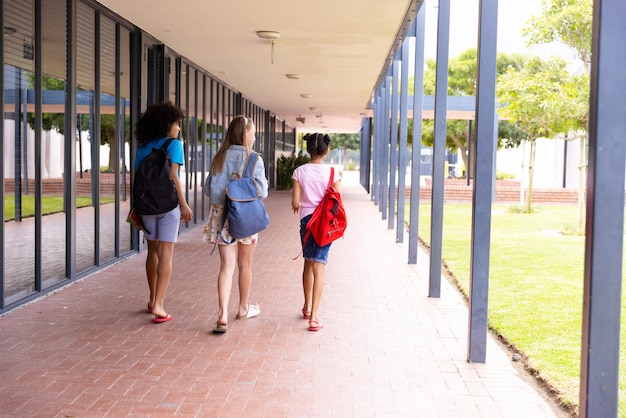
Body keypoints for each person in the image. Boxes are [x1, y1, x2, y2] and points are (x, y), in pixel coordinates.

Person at [204, 116, 268, 334]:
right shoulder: (254, 159)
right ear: (245, 133)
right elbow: (264, 191)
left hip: (221, 216)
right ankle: (242, 308)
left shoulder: (219, 157)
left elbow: (208, 190)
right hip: (245, 216)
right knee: (245, 265)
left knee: (226, 267)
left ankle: (222, 316)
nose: (254, 135)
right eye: (252, 131)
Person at [134, 101, 193, 323]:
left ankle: (151, 299)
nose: (178, 127)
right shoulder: (174, 145)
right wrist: (184, 204)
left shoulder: (143, 147)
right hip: (168, 206)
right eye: (177, 123)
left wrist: (136, 209)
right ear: (167, 124)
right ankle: (159, 304)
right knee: (167, 253)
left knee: (152, 252)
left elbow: (138, 179)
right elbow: (173, 177)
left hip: (147, 205)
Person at [291, 133, 341, 331]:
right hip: (325, 224)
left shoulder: (299, 172)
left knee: (308, 262)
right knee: (319, 267)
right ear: (326, 150)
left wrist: (301, 203)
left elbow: (295, 202)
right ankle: (315, 317)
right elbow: (337, 201)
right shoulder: (332, 173)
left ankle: (306, 306)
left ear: (307, 150)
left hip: (306, 221)